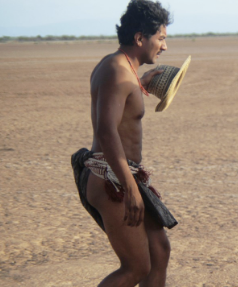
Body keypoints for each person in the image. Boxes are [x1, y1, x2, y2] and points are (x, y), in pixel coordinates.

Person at [70, 1, 178, 286]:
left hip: (123, 174)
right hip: (112, 178)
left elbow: (119, 108)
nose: (164, 46)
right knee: (136, 267)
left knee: (160, 251)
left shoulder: (123, 70)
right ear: (140, 38)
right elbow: (106, 131)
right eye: (161, 38)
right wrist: (130, 188)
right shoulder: (117, 71)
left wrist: (140, 85)